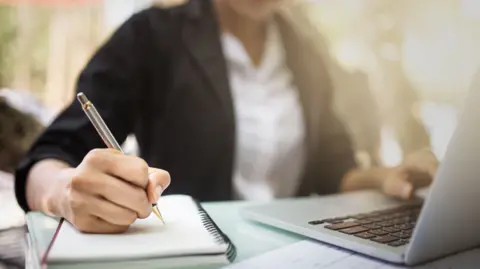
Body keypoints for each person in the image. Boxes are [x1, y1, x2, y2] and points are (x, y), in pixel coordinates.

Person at [15, 0, 438, 234]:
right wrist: (63, 192)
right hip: (193, 253)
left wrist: (387, 178)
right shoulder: (152, 35)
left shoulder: (306, 51)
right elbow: (47, 158)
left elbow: (334, 168)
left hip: (298, 252)